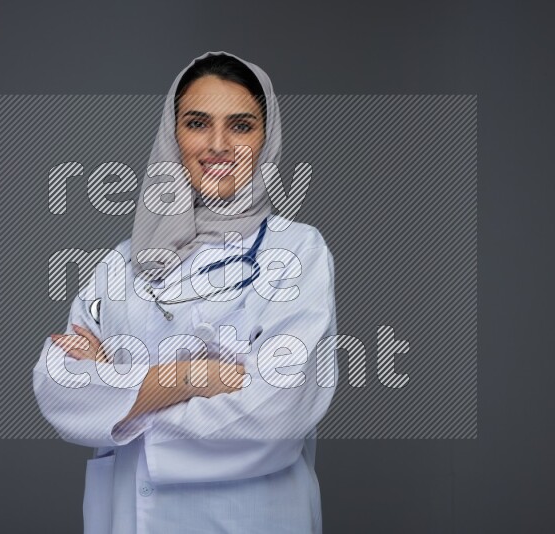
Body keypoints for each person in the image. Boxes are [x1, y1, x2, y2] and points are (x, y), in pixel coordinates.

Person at [33, 51, 337, 533]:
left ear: (266, 136)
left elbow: (276, 412)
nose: (218, 145)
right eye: (197, 123)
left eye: (241, 126)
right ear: (173, 136)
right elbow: (58, 388)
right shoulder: (122, 259)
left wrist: (122, 391)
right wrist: (191, 375)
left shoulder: (297, 250)